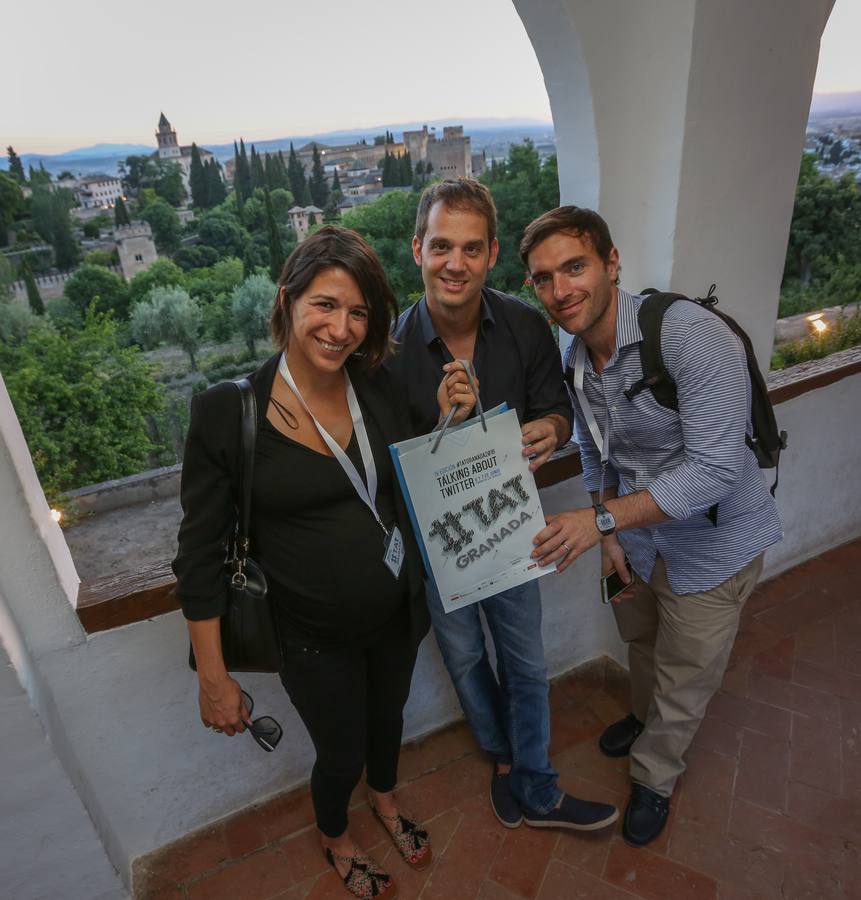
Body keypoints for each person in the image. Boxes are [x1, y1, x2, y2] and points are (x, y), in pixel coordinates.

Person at [172, 226, 476, 899]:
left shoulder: (375, 384)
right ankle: (336, 835)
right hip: (310, 640)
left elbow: (404, 475)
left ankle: (385, 799)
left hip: (397, 615)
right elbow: (198, 554)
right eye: (325, 305)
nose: (341, 329)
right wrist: (214, 677)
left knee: (388, 723)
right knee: (340, 752)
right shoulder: (229, 412)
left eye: (358, 312)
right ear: (287, 300)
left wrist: (447, 420)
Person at [522, 206, 783, 847]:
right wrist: (611, 537)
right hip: (637, 544)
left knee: (685, 676)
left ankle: (655, 777)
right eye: (543, 278)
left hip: (715, 548)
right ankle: (642, 719)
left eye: (575, 267)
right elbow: (595, 450)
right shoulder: (574, 354)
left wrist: (601, 520)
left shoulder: (691, 336)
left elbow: (715, 470)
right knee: (642, 643)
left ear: (611, 263)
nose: (560, 290)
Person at [385, 178, 619, 833]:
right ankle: (503, 758)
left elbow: (558, 412)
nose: (454, 263)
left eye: (470, 248)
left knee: (524, 661)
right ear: (417, 249)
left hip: (513, 529)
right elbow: (383, 463)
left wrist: (552, 429)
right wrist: (441, 424)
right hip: (437, 543)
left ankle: (537, 785)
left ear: (491, 253)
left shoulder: (523, 325)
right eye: (440, 246)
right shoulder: (389, 351)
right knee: (463, 660)